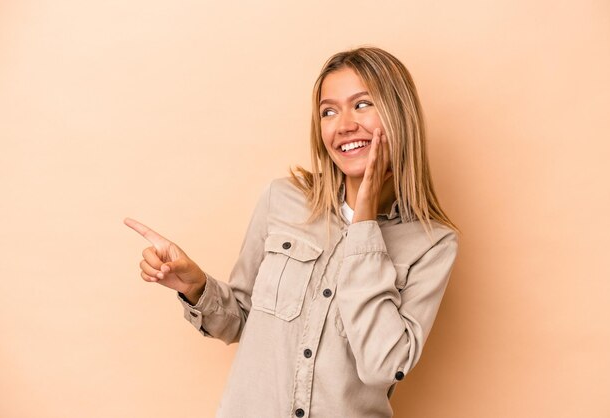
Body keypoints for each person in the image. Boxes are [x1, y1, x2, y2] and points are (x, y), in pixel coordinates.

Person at [125, 46, 459, 418]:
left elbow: (382, 365)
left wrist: (364, 226)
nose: (344, 124)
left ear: (399, 115)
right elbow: (240, 321)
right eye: (328, 111)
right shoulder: (281, 200)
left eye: (362, 104)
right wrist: (196, 287)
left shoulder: (433, 245)